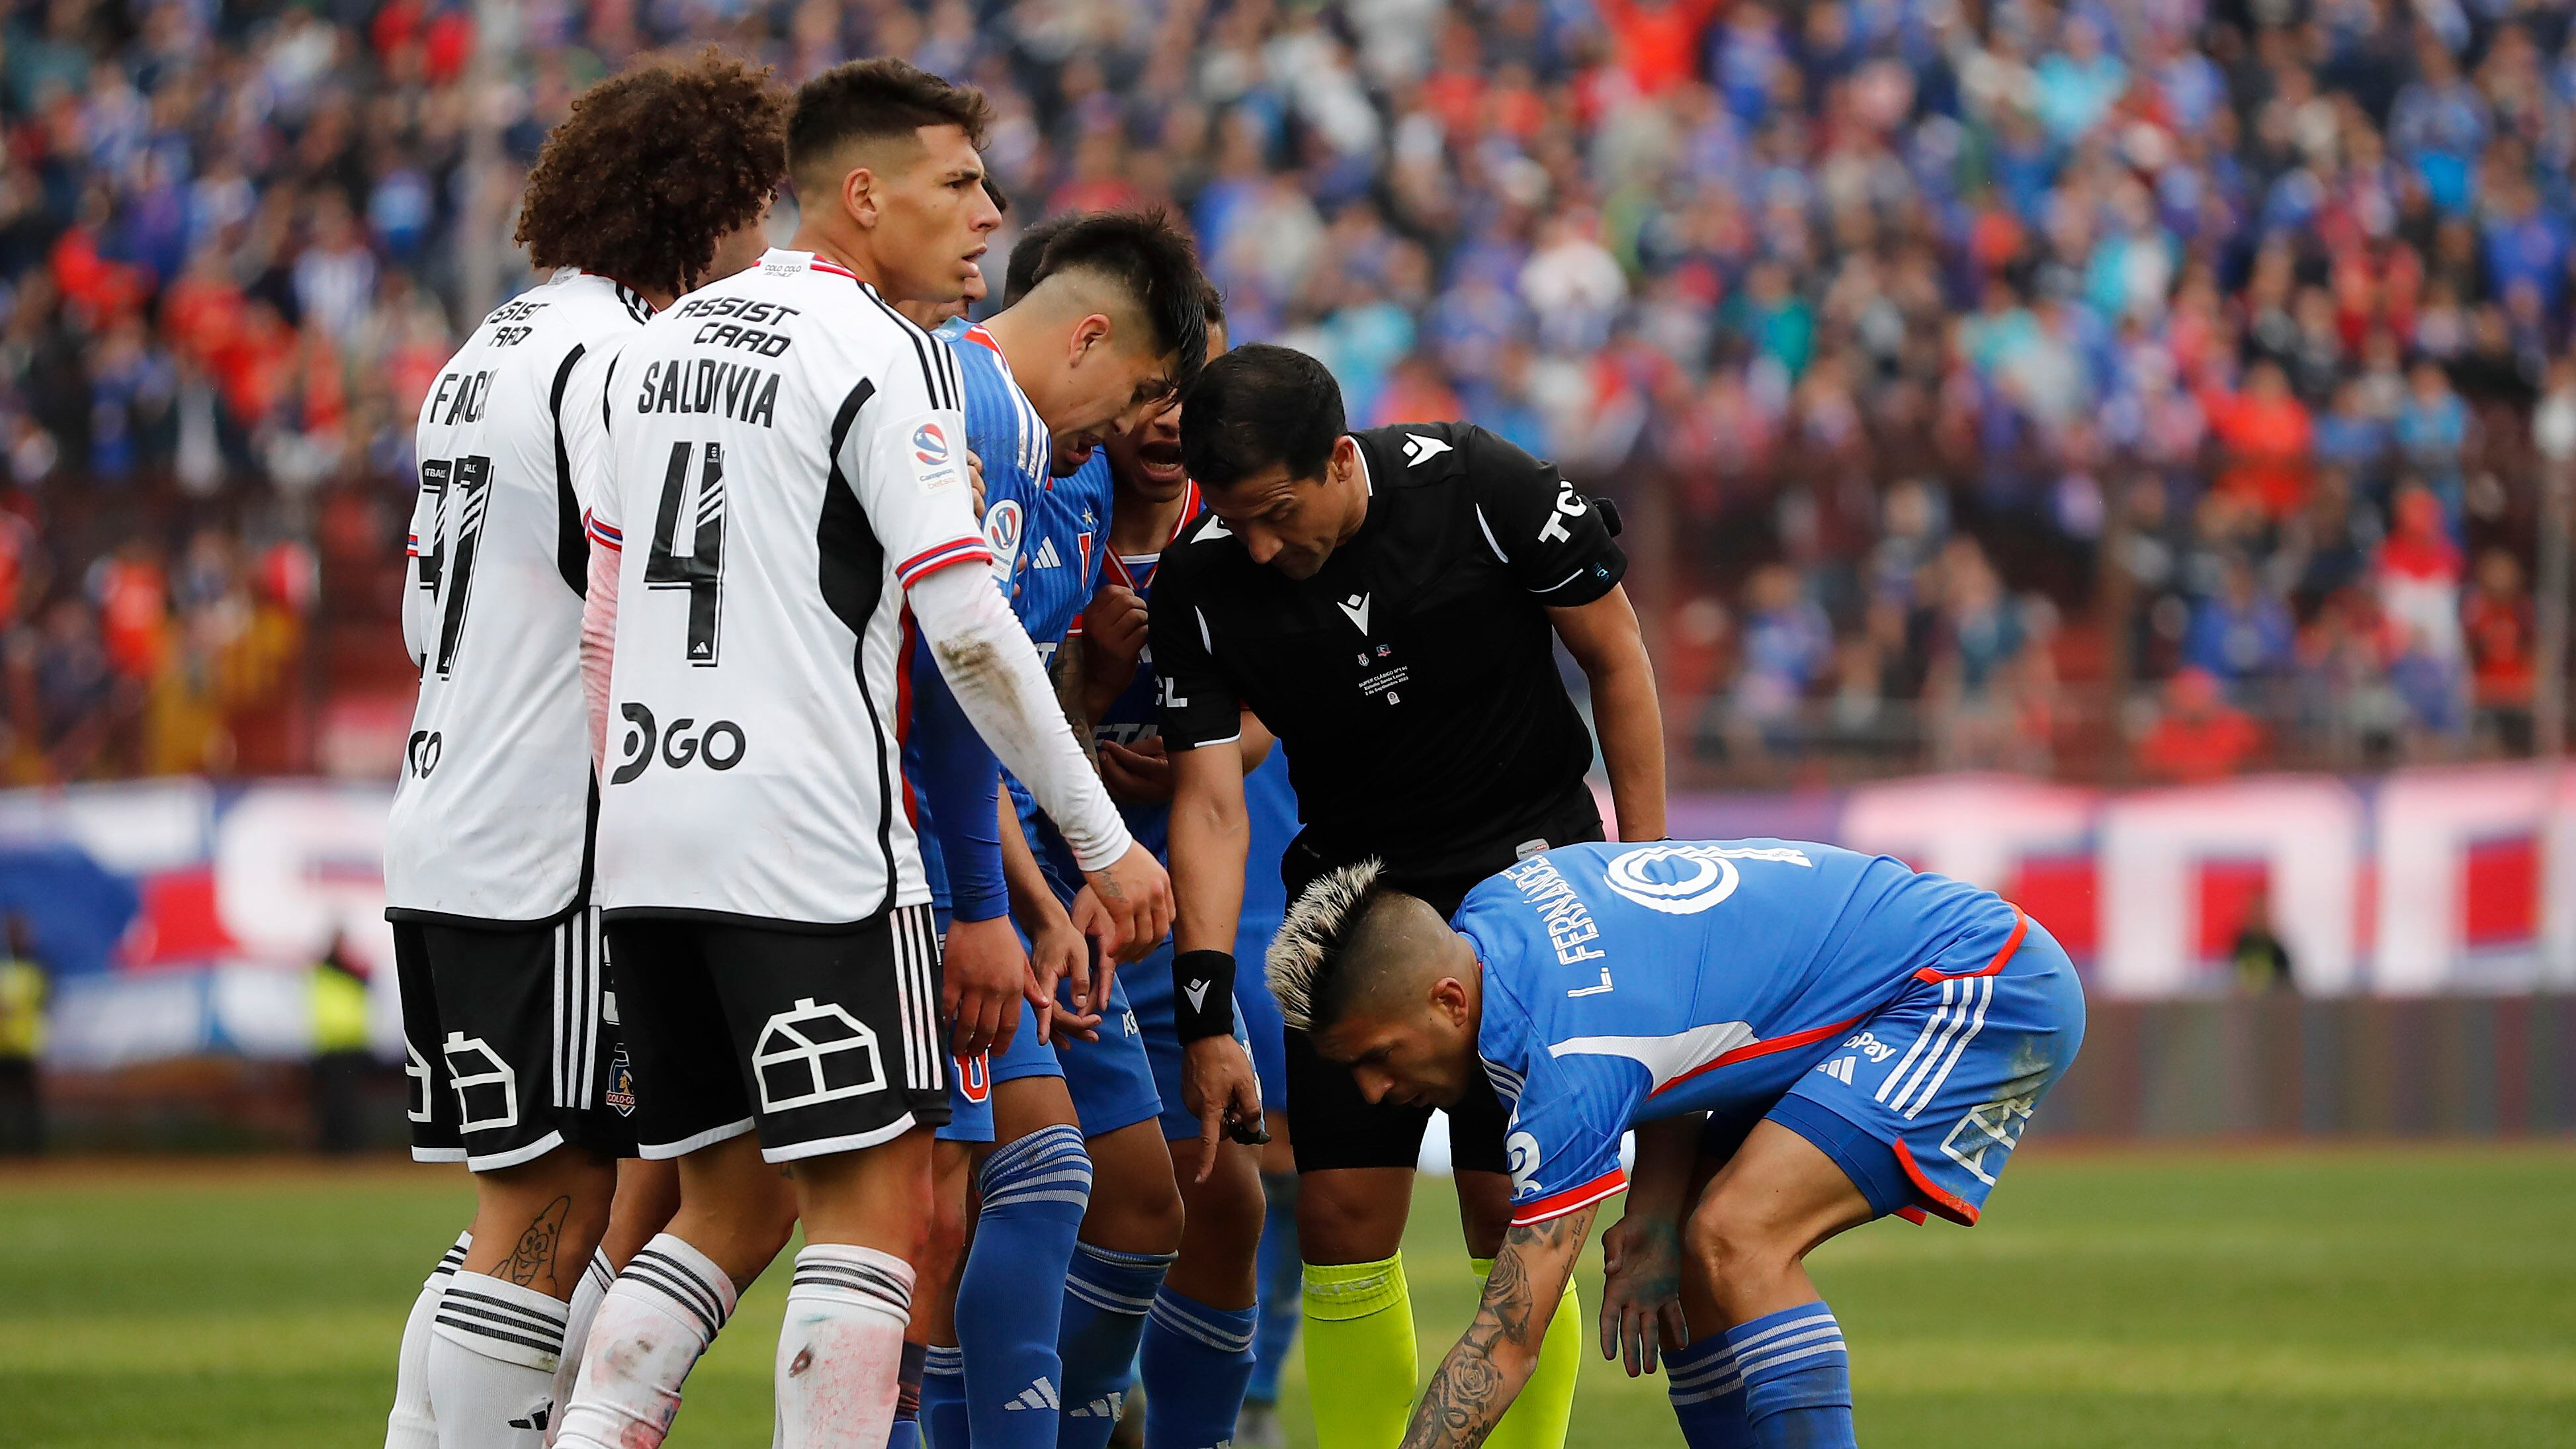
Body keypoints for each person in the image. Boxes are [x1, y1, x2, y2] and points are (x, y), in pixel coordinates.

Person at [557, 59, 1170, 1449]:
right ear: (862, 193)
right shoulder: (886, 358)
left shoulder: (656, 346)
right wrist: (1102, 842)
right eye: (956, 184)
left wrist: (626, 806)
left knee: (721, 1207)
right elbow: (967, 632)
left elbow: (604, 619)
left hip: (650, 835)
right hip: (814, 841)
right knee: (876, 1216)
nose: (985, 216)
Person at [379, 49, 791, 1449]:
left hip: (446, 814)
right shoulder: (625, 359)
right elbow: (659, 598)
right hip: (548, 844)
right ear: (707, 198)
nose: (771, 237)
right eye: (762, 201)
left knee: (520, 1205)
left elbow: (421, 604)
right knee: (555, 1211)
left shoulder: (487, 346)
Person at [1156, 343, 1668, 1449]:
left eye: (1277, 513)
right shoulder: (1198, 583)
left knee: (1508, 1214)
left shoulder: (1483, 488)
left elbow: (1617, 661)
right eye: (1233, 519)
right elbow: (1205, 805)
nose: (1258, 545)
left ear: (1341, 458)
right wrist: (1203, 1009)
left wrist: (1640, 874)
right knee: (1336, 1215)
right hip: (1351, 909)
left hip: (1529, 889)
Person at [1268, 840, 2088, 1449]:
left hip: (1978, 980)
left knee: (1738, 1237)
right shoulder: (1498, 907)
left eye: (1378, 1057)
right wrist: (1654, 1209)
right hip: (1890, 976)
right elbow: (1671, 1019)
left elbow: (1508, 1339)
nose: (1373, 1092)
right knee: (1690, 1267)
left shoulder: (1567, 1058)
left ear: (1449, 1001)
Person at [897, 210, 1211, 1449]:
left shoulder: (1077, 490)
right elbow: (952, 694)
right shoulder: (968, 421)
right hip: (943, 863)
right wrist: (1027, 892)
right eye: (1142, 393)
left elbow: (1018, 704)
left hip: (1013, 873)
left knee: (1129, 1194)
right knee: (960, 1200)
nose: (1151, 425)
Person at [0, 913, 50, 1156]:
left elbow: (43, 1003)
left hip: (26, 1047)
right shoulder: (5, 969)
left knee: (27, 1109)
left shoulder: (37, 970)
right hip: (3, 1048)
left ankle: (31, 1158)